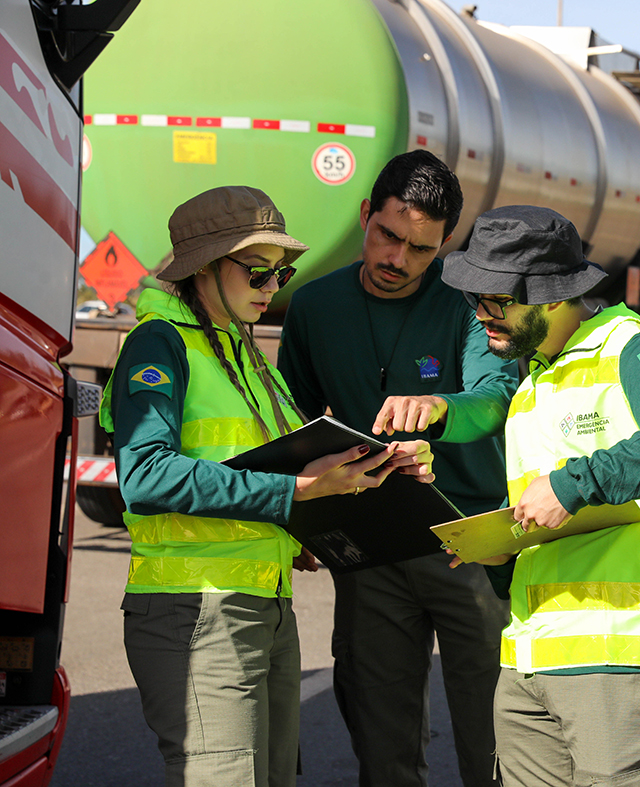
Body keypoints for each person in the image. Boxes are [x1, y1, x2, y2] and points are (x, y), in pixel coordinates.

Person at [99, 186, 435, 787]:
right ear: (203, 266)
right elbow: (145, 474)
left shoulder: (245, 353)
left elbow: (273, 467)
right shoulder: (160, 344)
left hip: (264, 605)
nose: (271, 287)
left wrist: (368, 474)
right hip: (195, 609)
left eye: (281, 273)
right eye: (256, 271)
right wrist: (295, 494)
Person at [441, 205, 640, 787]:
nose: (480, 316)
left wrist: (576, 485)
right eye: (475, 299)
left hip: (620, 660)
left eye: (495, 301)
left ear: (551, 297)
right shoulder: (534, 381)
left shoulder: (629, 349)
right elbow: (551, 519)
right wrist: (503, 551)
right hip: (531, 657)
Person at [278, 151, 516, 787]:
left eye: (421, 250)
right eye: (388, 236)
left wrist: (439, 409)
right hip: (372, 546)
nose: (398, 261)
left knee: (493, 742)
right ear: (365, 216)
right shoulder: (312, 307)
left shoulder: (470, 304)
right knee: (382, 745)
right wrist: (303, 519)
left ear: (443, 246)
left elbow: (493, 403)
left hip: (470, 541)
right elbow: (290, 424)